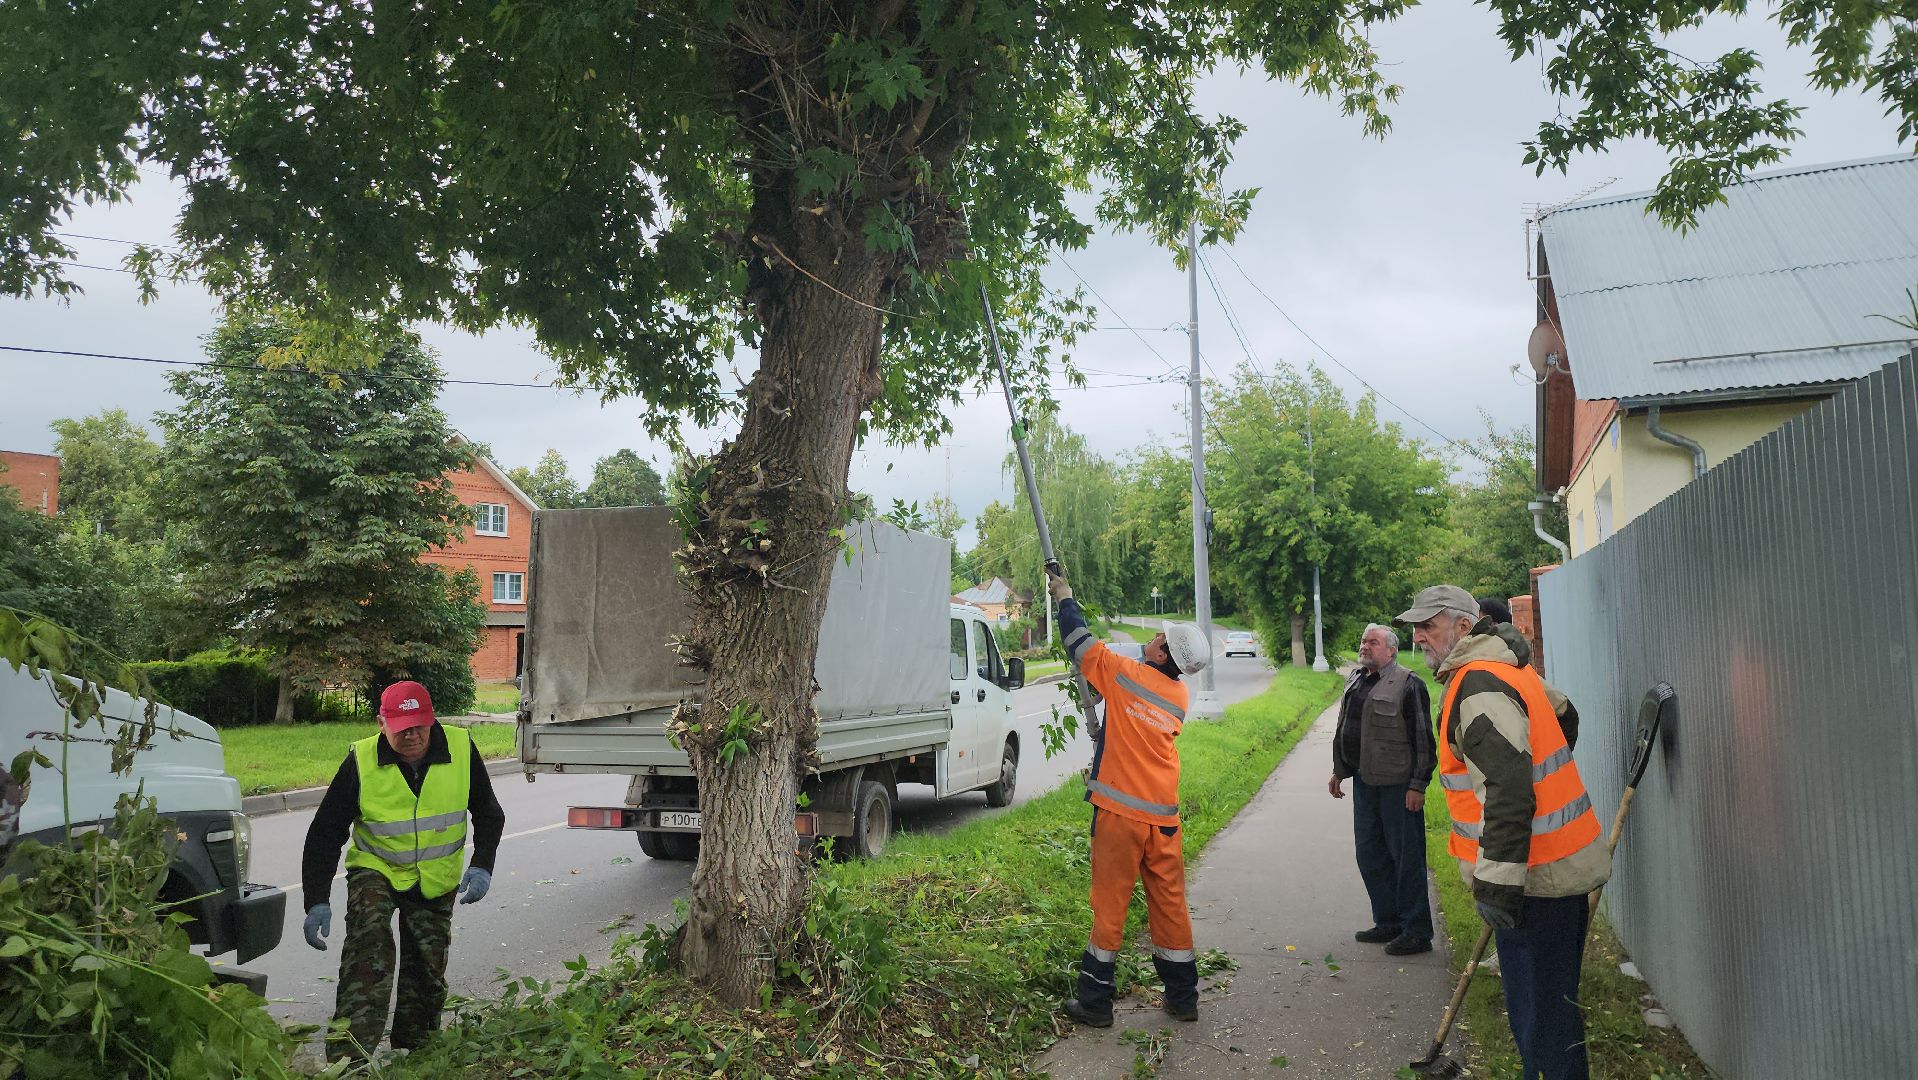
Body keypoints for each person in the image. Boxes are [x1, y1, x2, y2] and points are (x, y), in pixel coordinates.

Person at [1400, 585, 1610, 1080]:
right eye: (1416, 626)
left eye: (1429, 625)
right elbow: (1564, 716)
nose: (1418, 636)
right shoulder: (1508, 667)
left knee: (1542, 1022)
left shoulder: (1479, 684)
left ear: (1464, 627)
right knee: (1551, 1014)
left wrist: (1496, 886)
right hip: (1552, 872)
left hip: (1534, 884)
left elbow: (1509, 793)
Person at [301, 681, 506, 1062]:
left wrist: (482, 866)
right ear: (382, 722)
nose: (413, 736)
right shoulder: (361, 760)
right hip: (376, 868)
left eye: (420, 726)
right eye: (402, 729)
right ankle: (349, 1061)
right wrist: (316, 900)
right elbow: (325, 833)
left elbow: (489, 813)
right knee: (368, 955)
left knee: (427, 969)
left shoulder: (460, 748)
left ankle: (417, 1054)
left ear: (432, 720)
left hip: (435, 876)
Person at [1049, 568, 1212, 1028]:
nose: (1153, 639)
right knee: (1170, 906)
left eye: (1159, 637)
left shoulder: (1124, 676)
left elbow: (1081, 646)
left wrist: (1065, 596)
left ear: (1162, 651)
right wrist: (1105, 751)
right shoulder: (1178, 694)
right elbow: (1135, 735)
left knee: (1110, 905)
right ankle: (1183, 998)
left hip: (1122, 816)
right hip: (1163, 819)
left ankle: (1096, 1004)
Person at [1327, 623, 1435, 956]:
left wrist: (1418, 784)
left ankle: (1417, 930)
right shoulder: (1356, 678)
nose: (1365, 646)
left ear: (1391, 650)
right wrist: (1339, 771)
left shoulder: (1409, 683)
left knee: (1405, 858)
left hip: (1399, 785)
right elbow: (1347, 727)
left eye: (1372, 642)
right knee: (1371, 854)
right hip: (1364, 781)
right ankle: (1387, 921)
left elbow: (1422, 739)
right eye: (1363, 641)